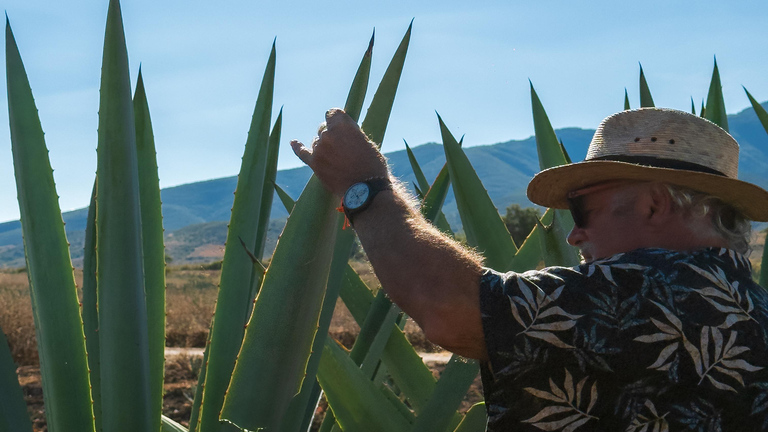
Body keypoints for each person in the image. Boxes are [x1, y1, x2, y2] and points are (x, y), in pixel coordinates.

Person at [292, 107, 768, 430]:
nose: (574, 235)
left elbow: (451, 308)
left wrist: (365, 186)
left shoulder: (651, 292)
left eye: (583, 211)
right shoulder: (751, 307)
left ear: (654, 205)